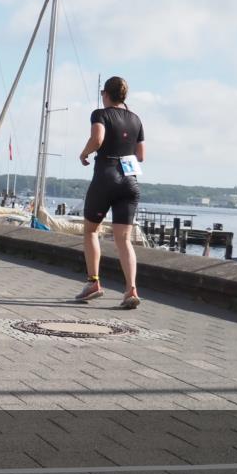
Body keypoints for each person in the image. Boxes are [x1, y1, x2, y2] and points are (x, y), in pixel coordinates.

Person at [77, 76, 145, 308]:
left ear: (106, 94)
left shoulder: (101, 114)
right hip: (129, 181)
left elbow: (98, 138)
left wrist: (84, 153)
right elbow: (141, 156)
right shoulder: (136, 119)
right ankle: (131, 290)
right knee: (124, 239)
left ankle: (94, 282)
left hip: (106, 176)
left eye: (102, 93)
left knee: (90, 231)